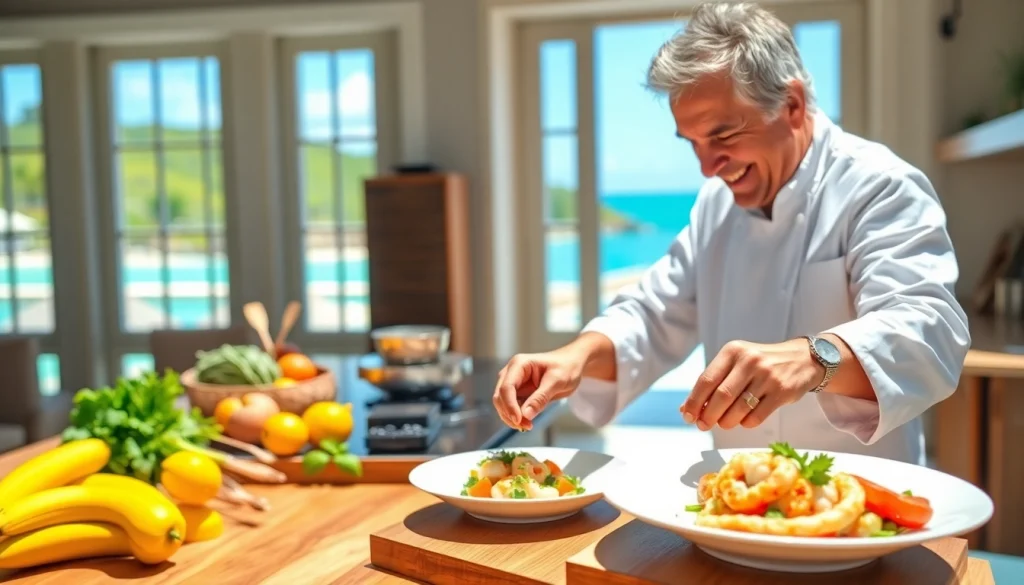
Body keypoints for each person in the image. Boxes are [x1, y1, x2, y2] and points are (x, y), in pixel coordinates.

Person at [491, 1, 970, 465]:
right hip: (738, 502)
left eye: (722, 136)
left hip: (861, 504)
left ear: (793, 105)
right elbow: (654, 314)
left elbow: (930, 329)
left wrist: (814, 358)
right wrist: (574, 358)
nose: (707, 167)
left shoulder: (879, 185)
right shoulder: (716, 205)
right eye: (693, 144)